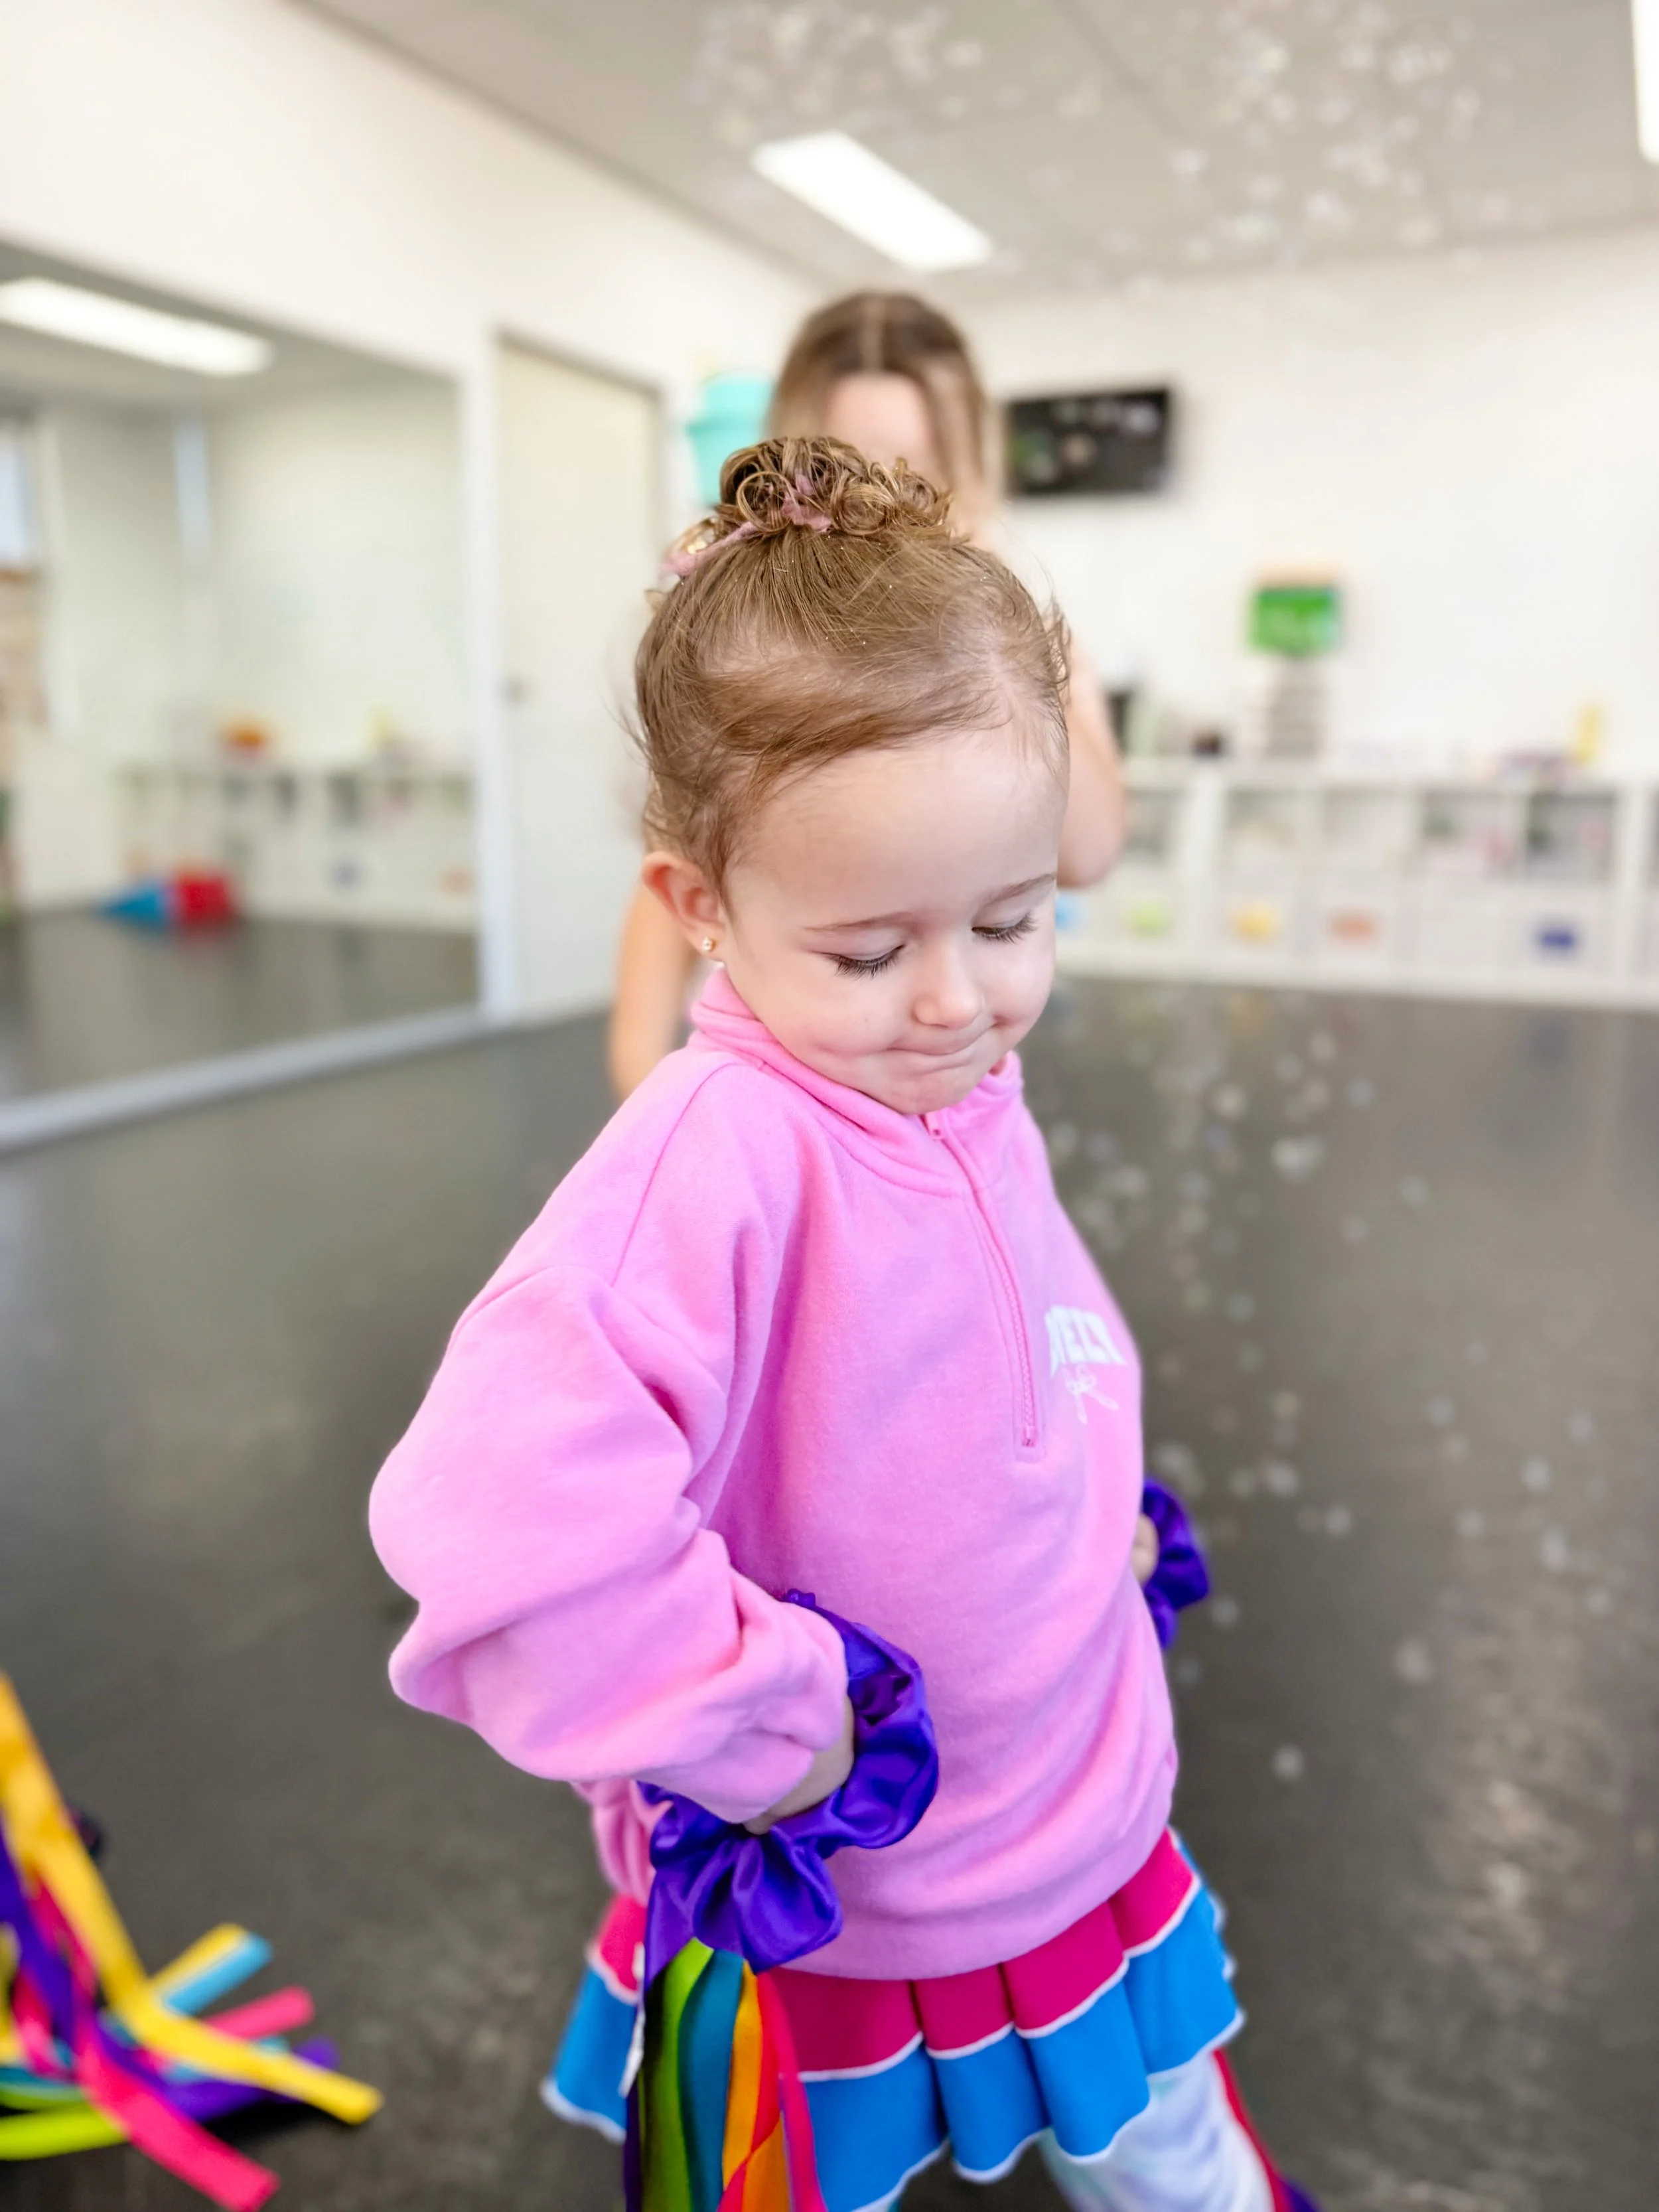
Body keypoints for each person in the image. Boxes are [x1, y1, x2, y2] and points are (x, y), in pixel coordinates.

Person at [370, 441, 1316, 2212]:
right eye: (871, 949)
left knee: (1172, 2141)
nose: (959, 997)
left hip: (1072, 1797)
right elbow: (503, 1530)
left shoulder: (959, 1074)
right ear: (700, 907)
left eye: (1014, 917)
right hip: (864, 1895)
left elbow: (1032, 1302)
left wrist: (1083, 1499)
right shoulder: (708, 1155)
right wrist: (770, 1724)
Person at [607, 291, 1126, 1100]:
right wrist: (646, 1088)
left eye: (929, 470)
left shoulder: (1013, 631)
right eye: (868, 463)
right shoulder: (762, 647)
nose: (901, 500)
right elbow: (683, 849)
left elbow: (1088, 853)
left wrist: (996, 640)